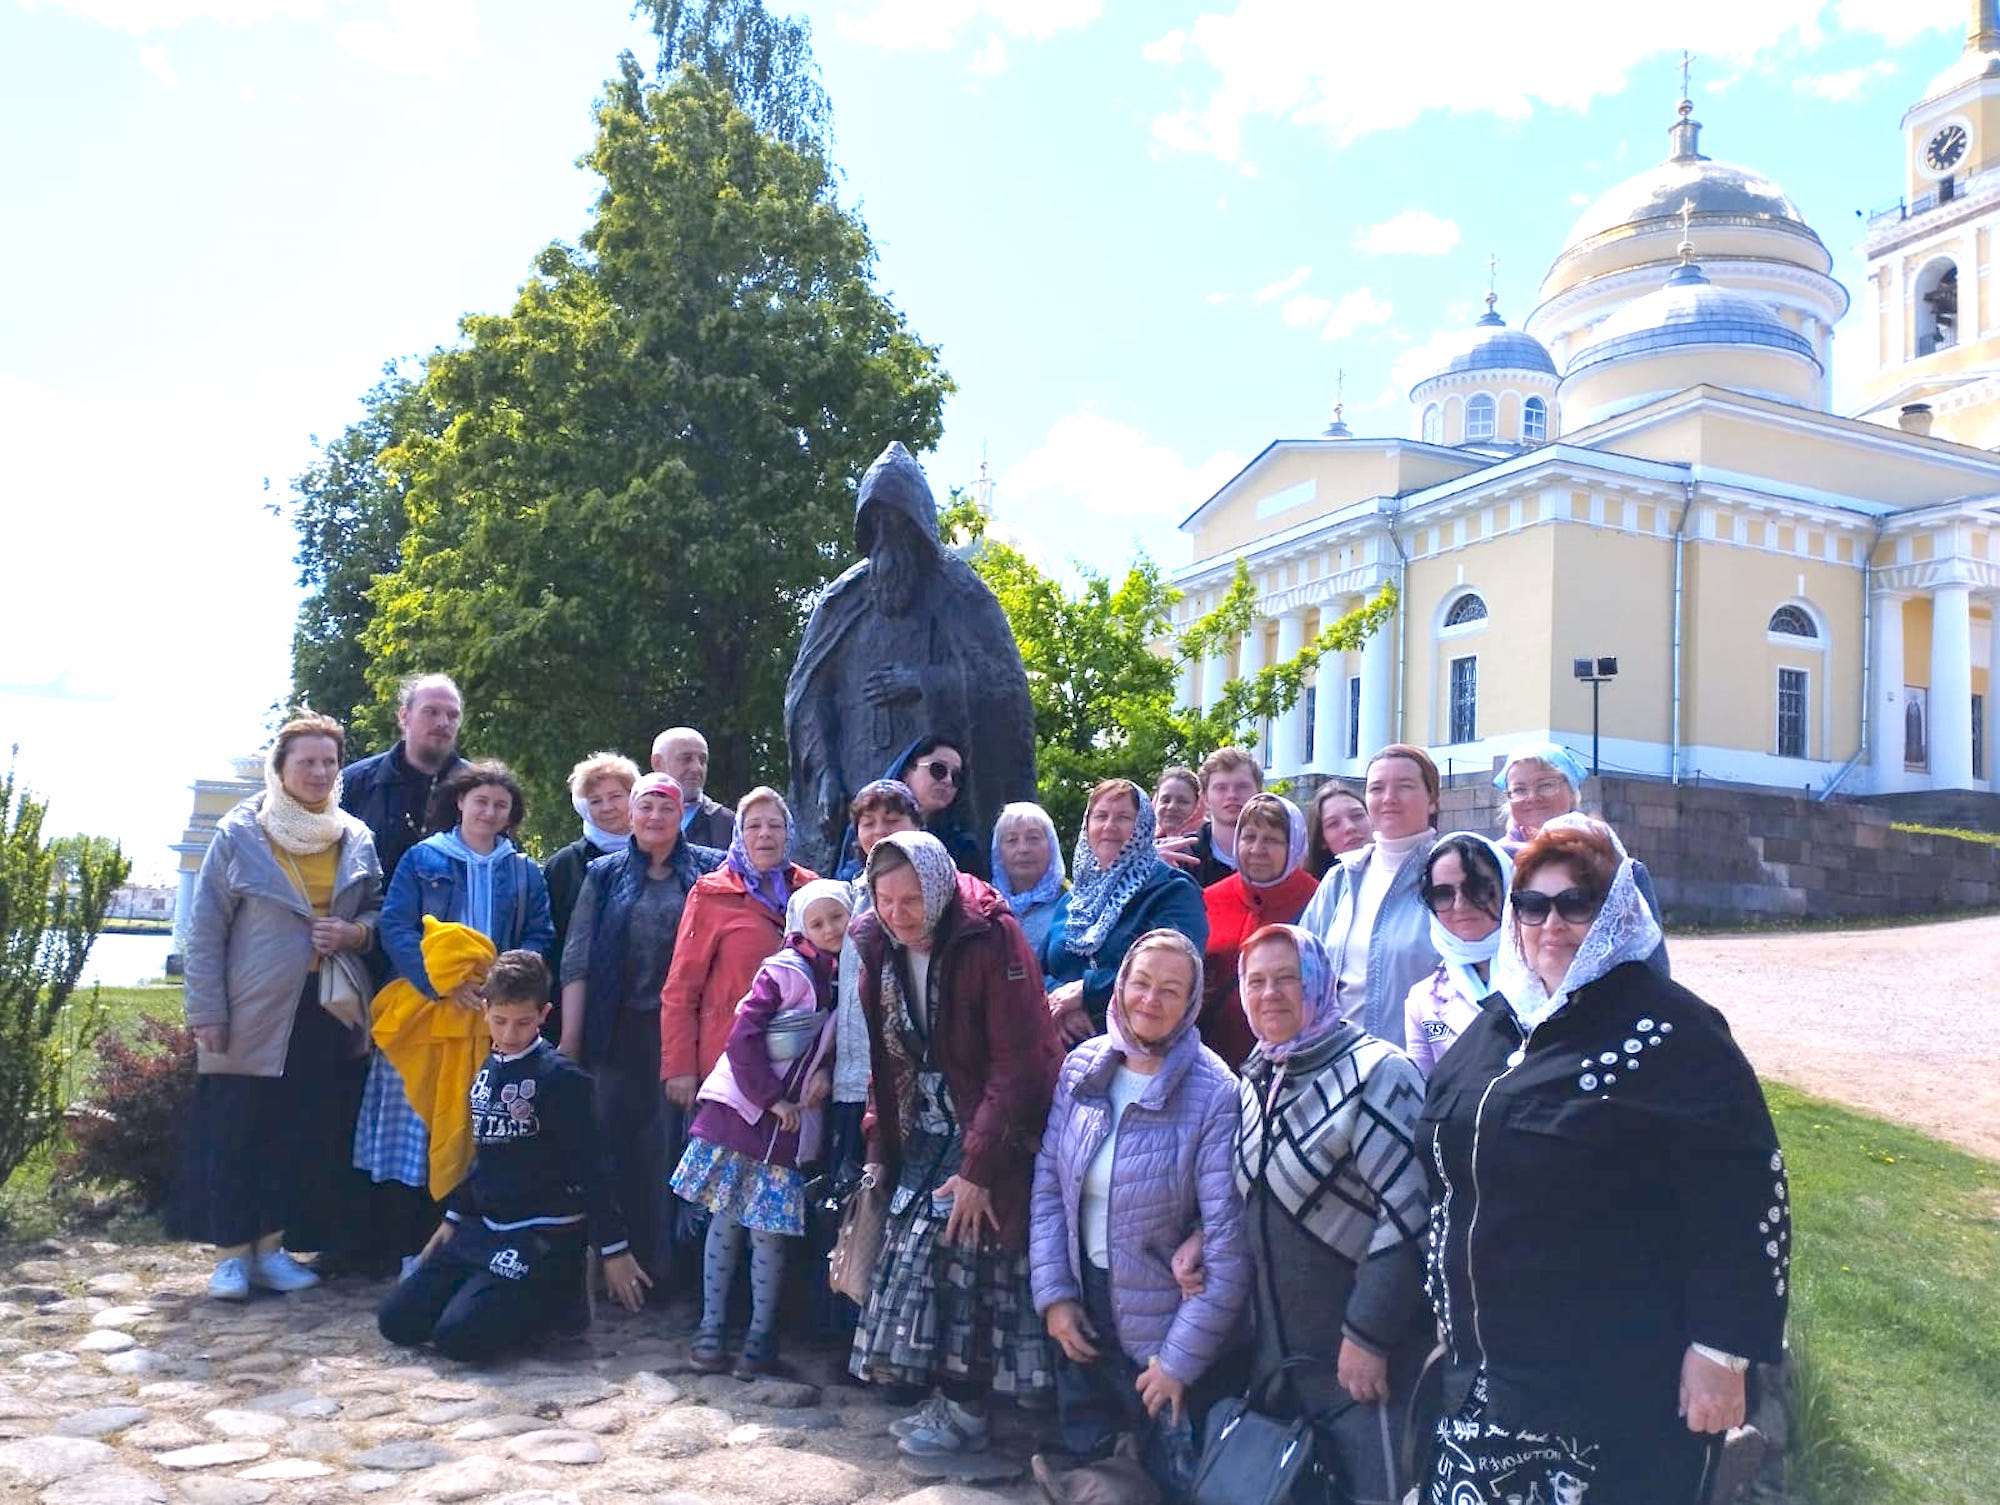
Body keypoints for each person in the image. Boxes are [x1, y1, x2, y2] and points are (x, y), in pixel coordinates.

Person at [1419, 816, 1787, 1503]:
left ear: (1615, 910)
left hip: (1612, 1389)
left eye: (1575, 903)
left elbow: (1740, 1190)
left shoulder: (1671, 1028)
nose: (1550, 923)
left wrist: (1721, 1350)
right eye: (1532, 904)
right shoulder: (1499, 1026)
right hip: (1487, 1380)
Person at [848, 832, 1063, 1456]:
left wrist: (979, 1166)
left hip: (994, 1121)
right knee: (915, 1253)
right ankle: (949, 1399)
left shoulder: (989, 937)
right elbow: (887, 1061)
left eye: (910, 899)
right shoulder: (879, 944)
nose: (897, 913)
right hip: (932, 1121)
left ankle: (970, 1412)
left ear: (938, 890)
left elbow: (1018, 1062)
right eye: (885, 899)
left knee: (965, 1254)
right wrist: (877, 1147)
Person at [1029, 931, 1250, 1502]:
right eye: (1141, 982)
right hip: (1087, 1312)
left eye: (1170, 990)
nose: (1150, 1000)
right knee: (1099, 1471)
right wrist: (1055, 1297)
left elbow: (1227, 1243)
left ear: (1193, 1002)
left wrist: (1179, 1362)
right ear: (1121, 983)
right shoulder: (1083, 1065)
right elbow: (1052, 1188)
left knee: (1169, 1484)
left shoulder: (1215, 1092)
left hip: (1165, 1330)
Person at [1221, 924, 1432, 1505]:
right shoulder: (1257, 1074)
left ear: (1321, 982)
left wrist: (1369, 1332)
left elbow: (1409, 1211)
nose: (1270, 994)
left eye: (1289, 978)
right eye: (1256, 981)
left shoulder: (1377, 1072)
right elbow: (1254, 1194)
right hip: (1281, 1355)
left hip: (1357, 1356)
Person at [175, 713, 383, 1299]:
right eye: (306, 762)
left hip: (324, 1010)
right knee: (237, 1128)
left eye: (328, 762)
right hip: (251, 1009)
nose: (319, 773)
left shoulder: (355, 836)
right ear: (281, 769)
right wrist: (206, 1010)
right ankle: (230, 1256)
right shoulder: (241, 832)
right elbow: (206, 927)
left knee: (296, 1131)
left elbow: (376, 912)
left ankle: (270, 1250)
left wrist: (353, 933)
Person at [378, 951, 650, 1361]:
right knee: (397, 1321)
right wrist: (452, 1218)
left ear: (543, 1014)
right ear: (485, 1010)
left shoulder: (561, 1078)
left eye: (523, 1022)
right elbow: (487, 1154)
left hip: (541, 1233)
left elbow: (594, 1167)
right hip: (487, 1226)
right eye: (500, 1021)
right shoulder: (488, 1069)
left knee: (458, 1339)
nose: (509, 1034)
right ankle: (482, 1292)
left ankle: (561, 1296)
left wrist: (615, 1248)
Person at [786, 441, 1035, 877]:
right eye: (877, 523)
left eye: (898, 522)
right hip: (853, 788)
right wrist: (823, 771)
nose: (887, 535)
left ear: (918, 525)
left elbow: (1004, 689)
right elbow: (808, 694)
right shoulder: (842, 600)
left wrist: (924, 682)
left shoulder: (960, 592)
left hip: (942, 805)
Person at [358, 760, 556, 1271]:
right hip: (427, 1011)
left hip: (496, 1016)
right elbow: (397, 925)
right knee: (418, 1130)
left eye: (501, 805)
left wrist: (505, 983)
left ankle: (466, 1249)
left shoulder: (525, 870)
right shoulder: (423, 859)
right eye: (481, 801)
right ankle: (409, 1250)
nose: (489, 812)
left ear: (512, 815)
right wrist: (439, 982)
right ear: (460, 802)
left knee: (476, 1130)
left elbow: (539, 933)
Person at [672, 879, 854, 1377]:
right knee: (727, 1222)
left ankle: (759, 1338)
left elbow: (840, 1045)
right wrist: (771, 1099)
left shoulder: (848, 980)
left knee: (769, 1234)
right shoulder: (785, 973)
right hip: (747, 1116)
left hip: (788, 1128)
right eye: (817, 923)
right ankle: (711, 1329)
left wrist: (824, 1074)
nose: (829, 929)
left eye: (837, 918)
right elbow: (743, 1039)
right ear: (800, 929)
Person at [558, 773, 725, 1281]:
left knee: (668, 1148)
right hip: (615, 1026)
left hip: (681, 1031)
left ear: (682, 815)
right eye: (646, 807)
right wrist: (569, 1037)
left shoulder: (710, 869)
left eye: (666, 808)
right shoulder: (604, 873)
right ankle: (611, 1259)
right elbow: (577, 957)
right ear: (632, 814)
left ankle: (665, 1270)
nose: (655, 818)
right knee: (610, 1142)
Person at [661, 786, 819, 1116]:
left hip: (800, 1061)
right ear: (739, 833)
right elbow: (681, 988)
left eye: (775, 826)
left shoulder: (811, 889)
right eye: (754, 826)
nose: (765, 835)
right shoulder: (711, 893)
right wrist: (679, 1067)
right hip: (727, 1061)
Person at [1042, 781, 1208, 1047]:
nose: (1109, 827)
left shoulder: (1172, 891)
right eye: (1100, 816)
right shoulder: (1074, 899)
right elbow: (1038, 970)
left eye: (1123, 817)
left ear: (1143, 825)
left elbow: (1174, 971)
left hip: (1142, 1051)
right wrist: (1059, 1006)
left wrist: (1087, 991)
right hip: (1065, 1054)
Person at [1297, 746, 1442, 1050]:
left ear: (1432, 800)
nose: (1389, 798)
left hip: (1420, 1069)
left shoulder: (1453, 875)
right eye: (1377, 788)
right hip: (1338, 1066)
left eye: (1405, 786)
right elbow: (1304, 969)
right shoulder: (1341, 880)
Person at [1495, 741, 1670, 974]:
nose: (1532, 797)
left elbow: (1652, 965)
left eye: (1546, 785)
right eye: (1519, 789)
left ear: (1572, 793)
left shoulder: (1618, 868)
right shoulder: (1493, 863)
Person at [828, 780, 925, 1175]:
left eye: (892, 819)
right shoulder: (847, 896)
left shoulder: (932, 891)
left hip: (903, 1073)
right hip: (848, 1073)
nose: (879, 830)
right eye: (868, 822)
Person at [1198, 793, 1319, 1069]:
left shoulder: (1320, 900)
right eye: (1248, 837)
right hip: (1211, 1061)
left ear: (1295, 845)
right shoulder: (1208, 899)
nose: (1257, 849)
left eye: (1272, 840)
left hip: (1292, 1062)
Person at [1402, 834, 1512, 1080]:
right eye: (1443, 894)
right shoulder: (1424, 999)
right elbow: (1422, 1091)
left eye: (1478, 889)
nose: (1461, 905)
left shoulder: (1543, 977)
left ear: (1507, 887)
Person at [339, 673, 468, 883]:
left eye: (453, 715)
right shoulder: (353, 784)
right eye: (431, 712)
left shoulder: (481, 790)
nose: (443, 722)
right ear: (404, 716)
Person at [542, 751, 639, 1003]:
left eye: (616, 796)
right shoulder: (563, 865)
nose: (607, 807)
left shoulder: (657, 854)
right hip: (578, 999)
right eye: (595, 801)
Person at [832, 736, 985, 880]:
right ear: (907, 772)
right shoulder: (859, 838)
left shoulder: (964, 849)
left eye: (956, 776)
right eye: (938, 770)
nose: (947, 780)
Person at [1166, 748, 1263, 889]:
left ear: (1259, 792)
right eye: (1221, 787)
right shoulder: (1181, 858)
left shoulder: (1279, 855)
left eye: (1242, 786)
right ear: (1205, 798)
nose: (1232, 795)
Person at [991, 801, 1069, 958]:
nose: (1023, 849)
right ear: (998, 852)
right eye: (1012, 840)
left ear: (1052, 846)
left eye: (1033, 838)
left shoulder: (1071, 903)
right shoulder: (986, 904)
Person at [654, 726, 736, 850]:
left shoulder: (727, 824)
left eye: (703, 760)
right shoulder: (633, 819)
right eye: (686, 759)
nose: (696, 768)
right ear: (658, 763)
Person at [1305, 783, 1372, 880]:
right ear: (1322, 840)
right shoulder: (1318, 889)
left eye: (1357, 815)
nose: (1350, 827)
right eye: (1333, 823)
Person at [1152, 766, 1204, 842]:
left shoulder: (1211, 843)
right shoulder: (1143, 843)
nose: (1171, 807)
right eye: (1165, 800)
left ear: (1197, 806)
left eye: (1182, 801)